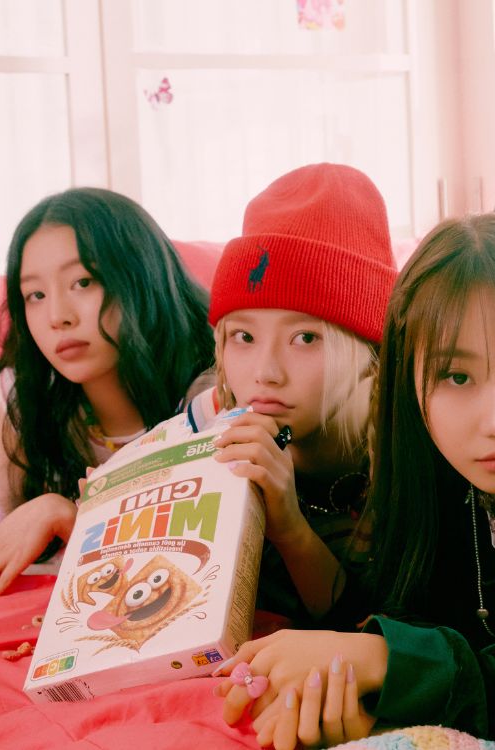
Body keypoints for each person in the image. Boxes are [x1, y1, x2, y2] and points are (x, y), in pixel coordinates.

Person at [216, 212, 495, 748]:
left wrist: (387, 661)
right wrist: (366, 703)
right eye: (457, 377)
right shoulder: (433, 476)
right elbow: (395, 611)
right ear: (408, 383)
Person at [0, 188, 214, 603]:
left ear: (142, 276)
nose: (57, 317)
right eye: (36, 295)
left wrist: (63, 515)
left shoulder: (210, 394)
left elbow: (191, 567)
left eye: (83, 282)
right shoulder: (27, 393)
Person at [202, 163, 397, 623]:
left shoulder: (414, 449)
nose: (265, 374)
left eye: (305, 338)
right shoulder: (209, 423)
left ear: (369, 348)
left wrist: (288, 526)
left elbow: (374, 634)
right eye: (243, 337)